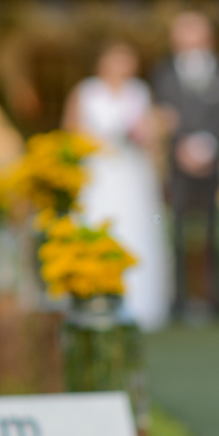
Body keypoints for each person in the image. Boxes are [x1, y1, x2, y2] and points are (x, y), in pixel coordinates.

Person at [64, 41, 172, 331]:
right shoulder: (86, 91)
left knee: (135, 228)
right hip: (98, 173)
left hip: (130, 171)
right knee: (98, 224)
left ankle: (140, 303)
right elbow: (72, 133)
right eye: (116, 59)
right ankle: (93, 294)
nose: (122, 67)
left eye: (127, 60)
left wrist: (152, 133)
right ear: (101, 62)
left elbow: (149, 136)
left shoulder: (139, 91)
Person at [151, 11, 219, 319]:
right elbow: (161, 115)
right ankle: (178, 300)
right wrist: (180, 147)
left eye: (195, 32)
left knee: (214, 232)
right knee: (176, 231)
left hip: (212, 163)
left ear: (208, 36)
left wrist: (210, 147)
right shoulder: (163, 73)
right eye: (184, 33)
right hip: (178, 165)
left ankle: (216, 300)